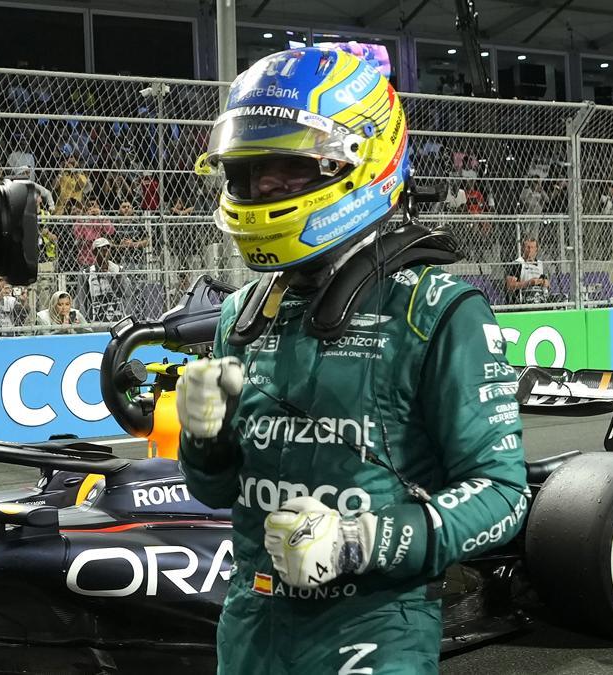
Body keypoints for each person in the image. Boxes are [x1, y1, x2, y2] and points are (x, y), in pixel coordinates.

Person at [176, 48, 527, 674]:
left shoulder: (439, 309)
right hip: (251, 620)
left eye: (286, 168)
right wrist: (202, 440)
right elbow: (215, 491)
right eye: (248, 173)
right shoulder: (242, 313)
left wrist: (362, 541)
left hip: (373, 622)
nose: (261, 189)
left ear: (358, 161)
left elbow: (502, 496)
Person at [77, 238, 131, 323]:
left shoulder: (118, 269)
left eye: (107, 248)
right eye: (101, 249)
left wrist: (117, 275)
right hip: (96, 318)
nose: (105, 252)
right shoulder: (86, 273)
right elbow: (82, 299)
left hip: (118, 318)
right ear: (94, 252)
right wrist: (84, 321)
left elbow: (127, 294)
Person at [504, 235, 550, 305]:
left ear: (536, 249)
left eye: (532, 247)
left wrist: (545, 282)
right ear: (523, 249)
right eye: (527, 248)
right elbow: (510, 285)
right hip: (522, 302)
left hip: (539, 300)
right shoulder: (517, 263)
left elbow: (548, 284)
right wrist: (529, 283)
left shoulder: (540, 264)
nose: (530, 251)